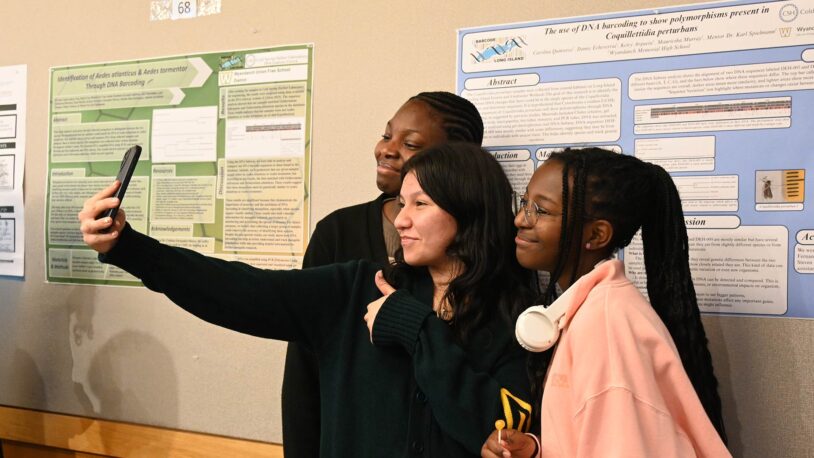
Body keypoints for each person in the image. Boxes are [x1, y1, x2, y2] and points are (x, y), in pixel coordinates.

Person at [79, 142, 537, 457]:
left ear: (468, 211)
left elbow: (500, 430)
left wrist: (415, 329)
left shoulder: (514, 312)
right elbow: (237, 292)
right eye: (402, 203)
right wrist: (129, 248)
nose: (401, 220)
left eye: (421, 204)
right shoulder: (359, 288)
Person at [481, 148, 730, 457]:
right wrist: (536, 449)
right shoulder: (596, 308)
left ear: (596, 235)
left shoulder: (607, 328)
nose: (520, 219)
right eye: (524, 203)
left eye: (541, 211)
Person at [284, 91, 484, 457]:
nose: (386, 149)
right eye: (386, 134)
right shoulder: (338, 232)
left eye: (409, 143)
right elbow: (304, 362)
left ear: (455, 158)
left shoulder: (486, 249)